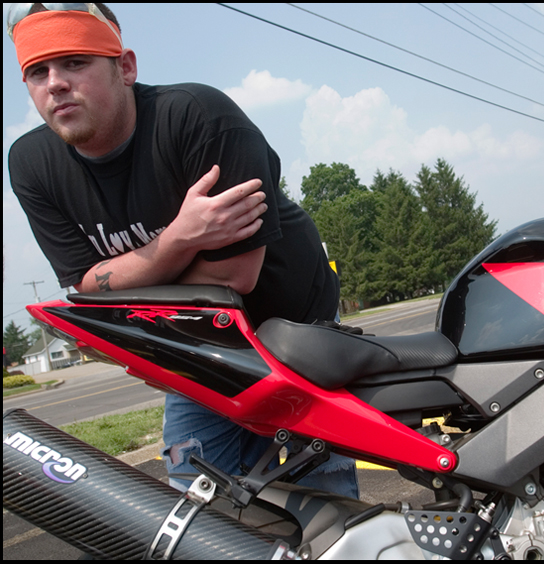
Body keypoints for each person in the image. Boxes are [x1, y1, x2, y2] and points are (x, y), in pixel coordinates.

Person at [7, 3, 358, 498]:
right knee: (198, 514)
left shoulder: (199, 118)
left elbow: (234, 277)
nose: (56, 83)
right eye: (36, 71)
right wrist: (181, 237)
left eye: (75, 62)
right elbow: (84, 284)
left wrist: (119, 294)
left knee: (326, 511)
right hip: (197, 355)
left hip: (295, 336)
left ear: (125, 67)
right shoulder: (30, 163)